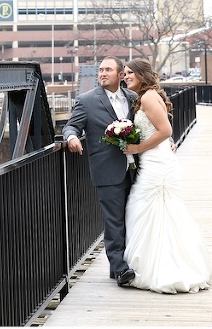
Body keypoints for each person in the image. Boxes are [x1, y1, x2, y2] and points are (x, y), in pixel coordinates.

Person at [121, 58, 212, 293]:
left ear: (142, 74)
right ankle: (157, 263)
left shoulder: (149, 97)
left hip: (157, 164)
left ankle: (163, 269)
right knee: (151, 211)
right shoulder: (146, 96)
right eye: (125, 73)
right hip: (155, 160)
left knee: (153, 210)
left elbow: (166, 131)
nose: (126, 76)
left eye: (130, 72)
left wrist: (137, 148)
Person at [63, 56, 138, 286]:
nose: (102, 73)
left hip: (136, 169)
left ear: (120, 75)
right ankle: (120, 269)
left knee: (134, 218)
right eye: (100, 70)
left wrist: (169, 142)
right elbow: (71, 125)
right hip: (106, 170)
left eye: (108, 69)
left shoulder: (133, 98)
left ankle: (122, 266)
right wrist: (72, 137)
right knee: (113, 220)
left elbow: (149, 125)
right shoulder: (87, 100)